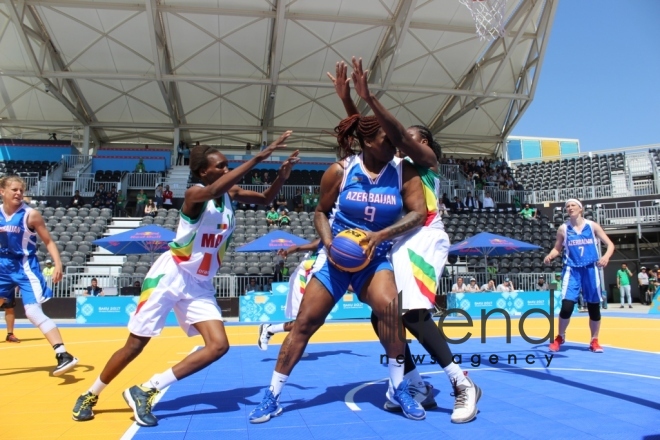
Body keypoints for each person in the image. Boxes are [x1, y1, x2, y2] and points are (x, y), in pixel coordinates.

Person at [71, 131, 299, 425]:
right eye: (221, 167)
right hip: (171, 274)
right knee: (135, 345)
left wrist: (282, 176)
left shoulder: (230, 194)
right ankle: (91, 393)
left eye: (228, 166)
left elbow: (267, 199)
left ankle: (146, 389)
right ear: (204, 171)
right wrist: (259, 156)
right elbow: (215, 189)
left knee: (218, 346)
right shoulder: (194, 195)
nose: (226, 170)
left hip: (200, 282)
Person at [249, 111, 428, 423]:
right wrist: (329, 243)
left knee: (391, 315)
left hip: (375, 257)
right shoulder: (340, 171)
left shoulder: (404, 171)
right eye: (389, 139)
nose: (396, 144)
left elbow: (419, 213)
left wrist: (381, 235)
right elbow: (320, 211)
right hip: (335, 258)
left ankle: (399, 387)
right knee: (304, 324)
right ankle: (272, 395)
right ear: (369, 142)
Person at [327, 58, 480, 422]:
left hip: (424, 236)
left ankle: (461, 384)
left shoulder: (425, 162)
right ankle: (416, 384)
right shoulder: (394, 166)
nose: (393, 140)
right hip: (398, 240)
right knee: (383, 318)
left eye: (404, 136)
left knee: (411, 313)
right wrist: (350, 101)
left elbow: (392, 133)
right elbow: (370, 134)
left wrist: (370, 96)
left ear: (422, 141)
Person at [0, 175, 78, 374]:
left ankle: (63, 354)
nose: (18, 193)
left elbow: (49, 241)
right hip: (2, 267)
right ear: (2, 192)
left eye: (21, 190)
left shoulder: (30, 215)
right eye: (14, 190)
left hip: (25, 267)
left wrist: (58, 264)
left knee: (33, 312)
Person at [544, 198, 615, 353]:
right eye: (567, 206)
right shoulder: (563, 228)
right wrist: (550, 255)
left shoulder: (592, 226)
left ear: (580, 208)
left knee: (594, 307)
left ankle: (594, 340)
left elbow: (610, 244)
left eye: (573, 205)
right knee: (567, 306)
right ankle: (560, 336)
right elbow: (557, 248)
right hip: (572, 269)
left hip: (591, 268)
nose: (570, 207)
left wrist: (606, 257)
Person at [258, 239, 321, 350]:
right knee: (303, 320)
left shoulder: (340, 252)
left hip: (313, 283)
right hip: (301, 280)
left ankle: (270, 329)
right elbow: (299, 248)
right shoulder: (324, 242)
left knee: (313, 320)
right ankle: (270, 330)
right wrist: (286, 252)